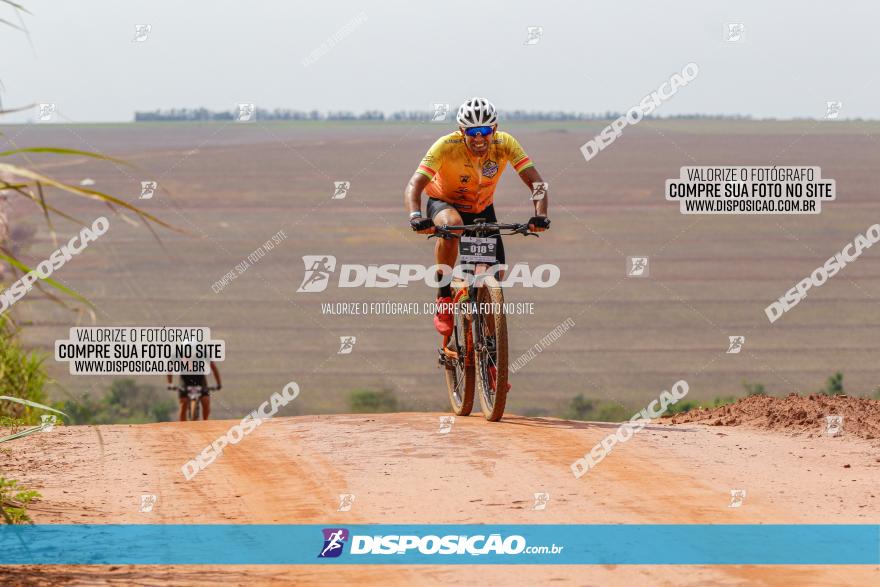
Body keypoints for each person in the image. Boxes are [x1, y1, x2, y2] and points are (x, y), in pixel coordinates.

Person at [403, 96, 550, 337]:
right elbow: (414, 185)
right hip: (445, 204)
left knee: (495, 286)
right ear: (462, 131)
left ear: (495, 129)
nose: (479, 137)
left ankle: (493, 365)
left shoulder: (506, 144)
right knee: (454, 226)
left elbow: (536, 182)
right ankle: (444, 297)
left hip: (482, 209)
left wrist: (540, 215)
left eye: (484, 130)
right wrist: (416, 216)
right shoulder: (445, 145)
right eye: (472, 131)